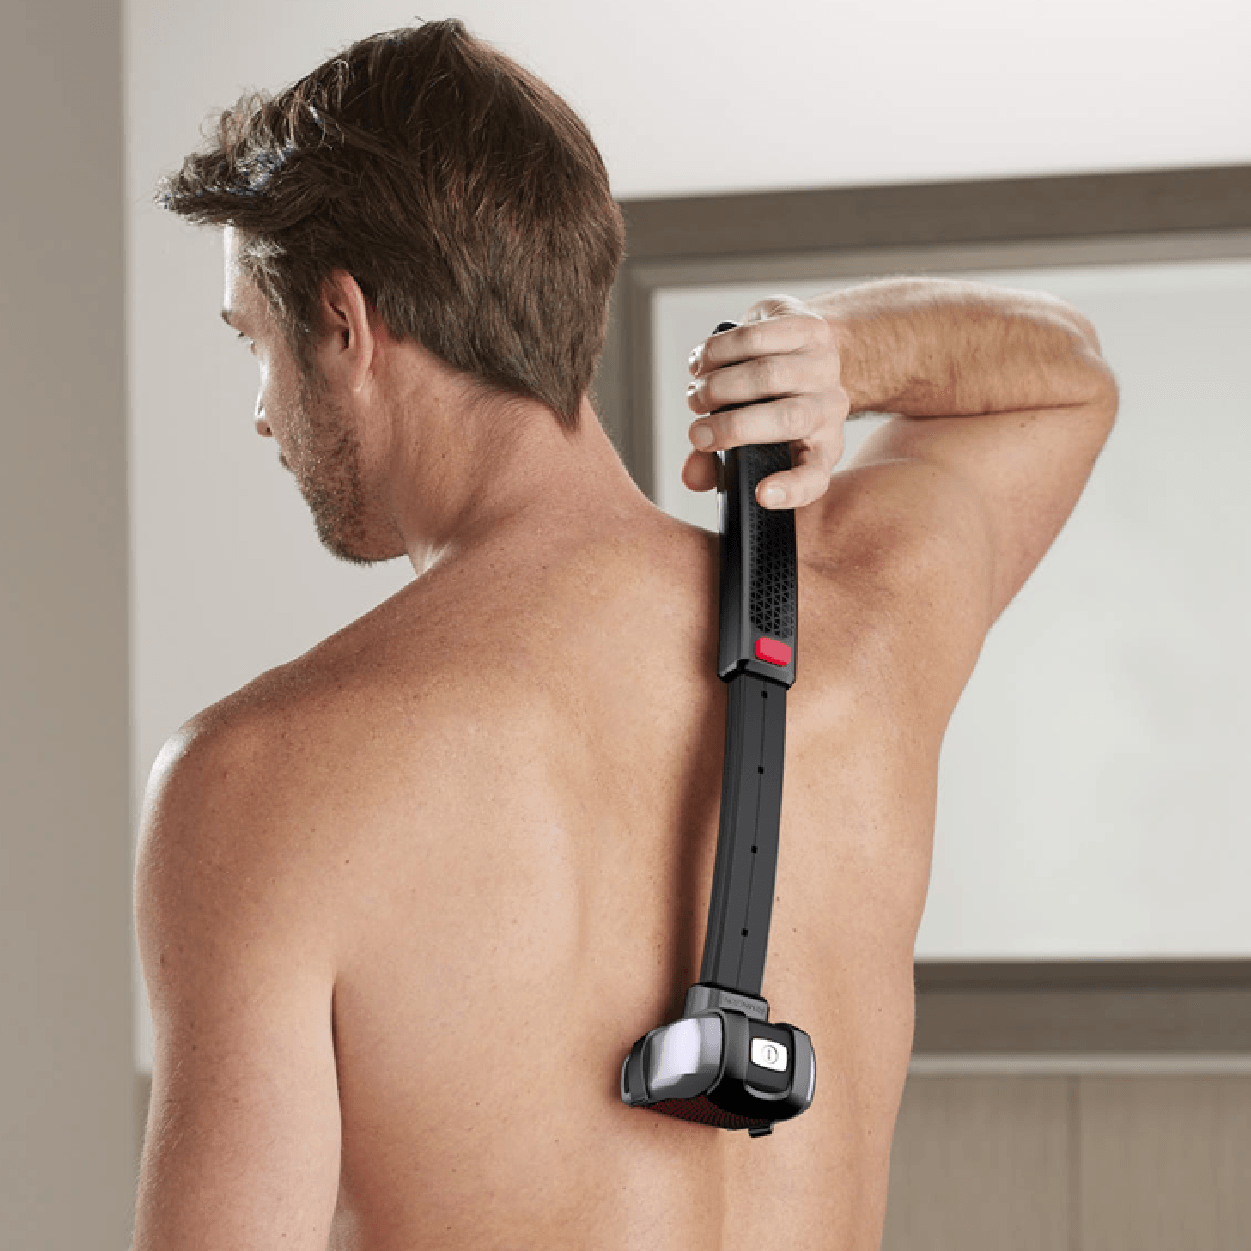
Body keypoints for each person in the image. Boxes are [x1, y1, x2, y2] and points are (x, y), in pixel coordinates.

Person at [130, 17, 1119, 1251]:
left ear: (347, 322)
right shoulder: (859, 632)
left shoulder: (260, 778)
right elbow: (1066, 376)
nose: (262, 413)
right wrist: (839, 353)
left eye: (256, 343)